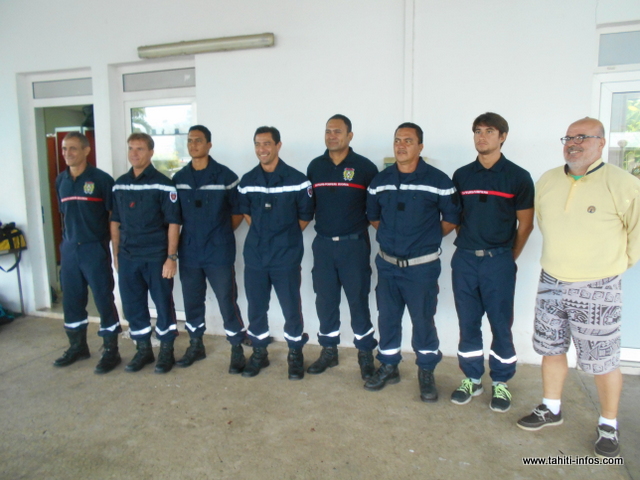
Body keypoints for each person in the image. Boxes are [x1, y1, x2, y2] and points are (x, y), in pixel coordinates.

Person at [517, 117, 640, 459]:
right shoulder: (548, 180)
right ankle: (551, 407)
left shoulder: (624, 184)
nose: (573, 143)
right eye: (569, 138)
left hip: (598, 287)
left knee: (602, 361)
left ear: (601, 142)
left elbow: (637, 234)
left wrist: (610, 268)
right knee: (551, 348)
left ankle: (608, 424)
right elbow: (546, 223)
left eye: (583, 137)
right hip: (552, 281)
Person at [366, 122, 460, 401]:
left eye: (408, 140)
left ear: (420, 146)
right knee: (387, 318)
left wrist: (425, 238)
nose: (401, 145)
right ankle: (389, 365)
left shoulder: (439, 181)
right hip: (387, 265)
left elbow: (451, 219)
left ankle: (426, 371)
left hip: (422, 268)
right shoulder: (380, 181)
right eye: (397, 140)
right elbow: (374, 218)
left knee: (423, 320)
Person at [450, 113, 534, 412]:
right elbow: (458, 220)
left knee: (500, 323)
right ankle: (472, 378)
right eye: (477, 131)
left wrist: (508, 257)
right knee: (467, 322)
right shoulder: (462, 175)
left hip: (498, 261)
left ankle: (501, 381)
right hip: (465, 260)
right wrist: (472, 246)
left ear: (503, 136)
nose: (481, 136)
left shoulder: (518, 176)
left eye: (489, 131)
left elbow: (526, 225)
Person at [306, 114, 379, 380]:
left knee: (358, 300)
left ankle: (365, 353)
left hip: (354, 246)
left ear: (350, 135)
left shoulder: (365, 168)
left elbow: (376, 208)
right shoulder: (315, 167)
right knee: (325, 300)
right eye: (328, 131)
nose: (332, 136)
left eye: (337, 131)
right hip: (323, 246)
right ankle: (329, 351)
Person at [238, 126, 314, 380]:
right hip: (256, 256)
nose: (262, 149)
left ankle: (295, 353)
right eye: (258, 144)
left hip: (286, 256)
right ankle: (259, 353)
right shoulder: (248, 181)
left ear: (278, 145)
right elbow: (246, 213)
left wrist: (284, 237)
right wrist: (265, 235)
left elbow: (305, 216)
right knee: (256, 308)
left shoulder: (298, 180)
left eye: (267, 144)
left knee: (291, 308)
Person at [173, 125, 246, 373]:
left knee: (227, 300)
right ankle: (196, 345)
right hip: (190, 251)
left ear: (209, 144)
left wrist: (220, 233)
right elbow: (174, 217)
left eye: (198, 140)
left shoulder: (226, 176)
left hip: (218, 251)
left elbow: (238, 212)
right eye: (190, 141)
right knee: (192, 300)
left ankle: (236, 348)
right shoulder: (179, 179)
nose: (193, 145)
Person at [110, 133, 182, 374]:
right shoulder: (120, 184)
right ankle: (143, 350)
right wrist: (116, 254)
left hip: (155, 256)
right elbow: (115, 221)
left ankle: (166, 351)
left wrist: (171, 257)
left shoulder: (163, 184)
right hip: (128, 256)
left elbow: (173, 223)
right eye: (131, 148)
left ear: (151, 152)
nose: (134, 153)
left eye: (140, 149)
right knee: (133, 306)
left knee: (163, 304)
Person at [53, 131, 122, 374]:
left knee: (103, 299)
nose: (67, 153)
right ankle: (78, 346)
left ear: (86, 150)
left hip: (94, 248)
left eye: (73, 148)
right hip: (70, 249)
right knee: (72, 300)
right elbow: (65, 215)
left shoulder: (101, 180)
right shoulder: (61, 180)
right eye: (64, 148)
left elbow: (114, 217)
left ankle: (111, 351)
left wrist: (114, 250)